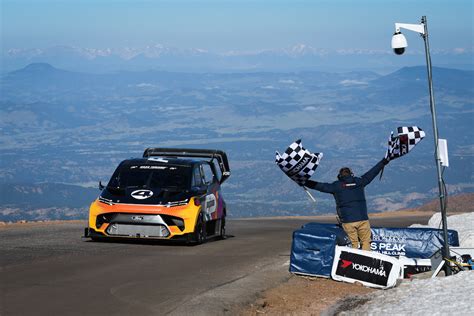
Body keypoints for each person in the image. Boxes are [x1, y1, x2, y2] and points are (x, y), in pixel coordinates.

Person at [304, 158, 389, 251]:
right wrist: (383, 162)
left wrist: (304, 181)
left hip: (348, 221)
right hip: (362, 219)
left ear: (340, 176)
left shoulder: (336, 186)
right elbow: (372, 172)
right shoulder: (359, 181)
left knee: (353, 244)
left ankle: (354, 262)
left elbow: (320, 186)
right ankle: (365, 261)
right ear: (351, 174)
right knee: (365, 242)